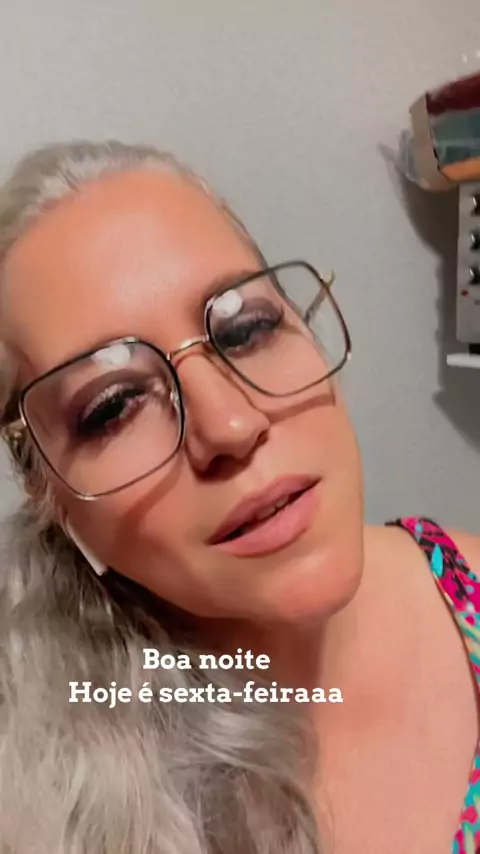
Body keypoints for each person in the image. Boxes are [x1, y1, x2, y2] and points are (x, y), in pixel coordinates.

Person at [0, 140, 478, 854]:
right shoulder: (30, 794)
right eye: (114, 406)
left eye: (247, 329)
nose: (230, 424)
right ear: (53, 501)